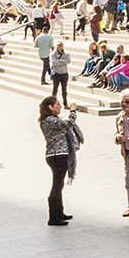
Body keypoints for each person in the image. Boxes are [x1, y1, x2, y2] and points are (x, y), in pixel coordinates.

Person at [39, 96, 81, 225]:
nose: (60, 107)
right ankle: (53, 216)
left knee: (59, 184)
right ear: (50, 107)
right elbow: (69, 123)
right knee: (56, 186)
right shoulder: (49, 120)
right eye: (57, 104)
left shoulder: (50, 120)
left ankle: (59, 212)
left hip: (58, 155)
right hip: (57, 155)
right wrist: (73, 111)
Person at [50, 40, 71, 108]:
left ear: (62, 47)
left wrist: (59, 61)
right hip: (56, 73)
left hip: (64, 73)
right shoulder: (53, 54)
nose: (58, 47)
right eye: (57, 45)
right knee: (55, 89)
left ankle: (65, 103)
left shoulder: (66, 54)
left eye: (60, 45)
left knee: (64, 89)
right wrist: (63, 62)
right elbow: (54, 63)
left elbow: (68, 61)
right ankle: (52, 103)